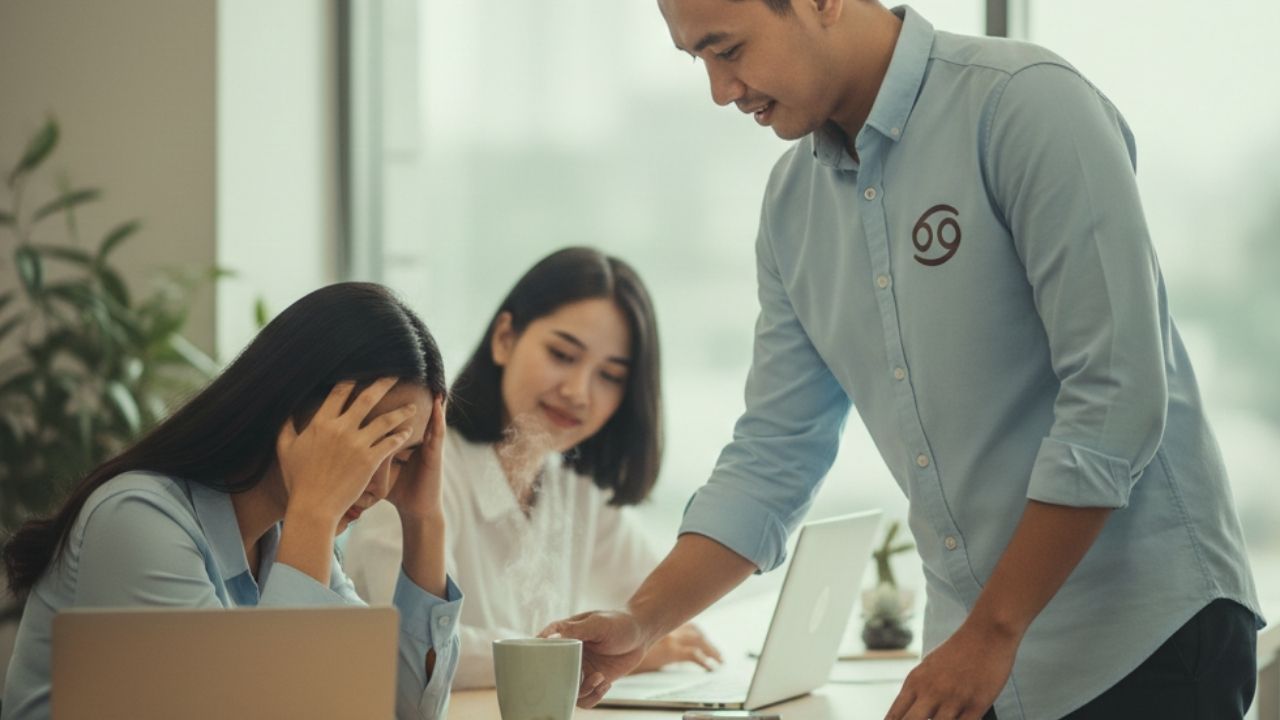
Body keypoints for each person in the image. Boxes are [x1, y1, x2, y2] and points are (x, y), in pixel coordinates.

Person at [541, 2, 1264, 719]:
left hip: (1145, 643)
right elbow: (772, 456)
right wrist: (641, 623)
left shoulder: (1024, 103)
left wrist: (992, 631)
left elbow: (1116, 397)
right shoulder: (792, 208)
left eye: (727, 50)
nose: (719, 90)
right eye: (696, 58)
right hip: (973, 662)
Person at [1, 283, 461, 720]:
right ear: (290, 409)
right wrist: (315, 513)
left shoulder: (284, 540)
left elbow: (398, 710)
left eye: (400, 458)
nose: (380, 484)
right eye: (366, 448)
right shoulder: (136, 519)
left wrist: (424, 520)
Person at [344, 247, 721, 688]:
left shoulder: (573, 486)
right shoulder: (417, 471)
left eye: (610, 376)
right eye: (562, 355)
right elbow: (413, 649)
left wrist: (642, 634)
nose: (579, 391)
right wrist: (588, 657)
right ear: (505, 338)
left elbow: (660, 605)